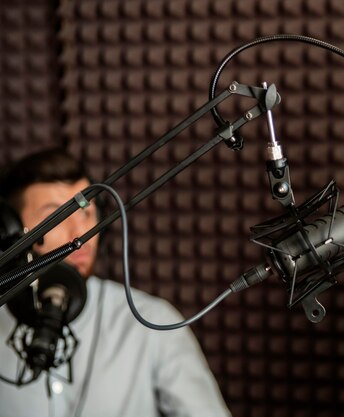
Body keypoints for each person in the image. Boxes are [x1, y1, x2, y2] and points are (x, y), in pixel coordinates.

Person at [0, 148, 231, 417]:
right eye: (56, 217)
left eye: (86, 213)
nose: (81, 233)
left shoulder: (151, 322)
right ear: (12, 233)